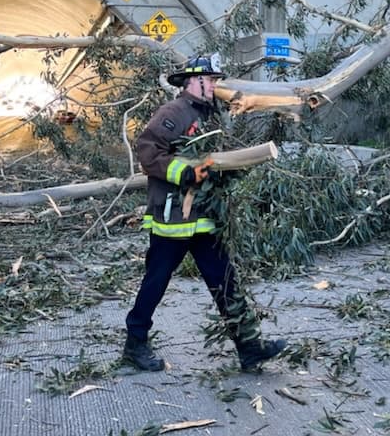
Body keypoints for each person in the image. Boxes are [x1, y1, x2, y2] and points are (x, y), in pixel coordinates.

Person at [121, 55, 287, 372]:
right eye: (210, 80)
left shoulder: (210, 117)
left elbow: (213, 159)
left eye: (214, 80)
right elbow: (148, 150)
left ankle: (249, 347)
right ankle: (135, 344)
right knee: (156, 281)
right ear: (192, 81)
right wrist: (185, 173)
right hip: (173, 219)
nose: (214, 85)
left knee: (225, 280)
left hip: (203, 216)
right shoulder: (173, 112)